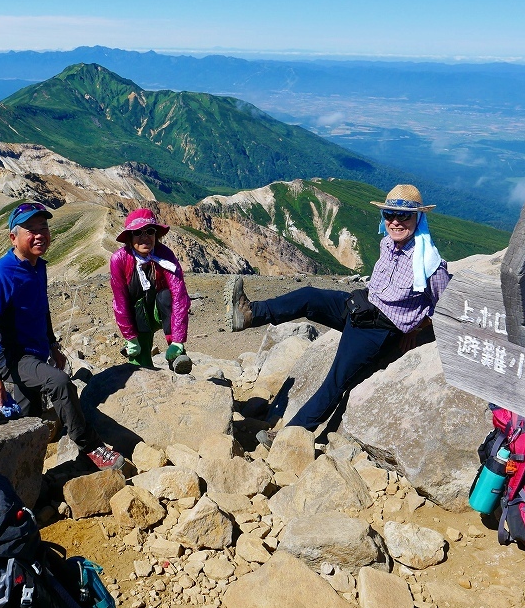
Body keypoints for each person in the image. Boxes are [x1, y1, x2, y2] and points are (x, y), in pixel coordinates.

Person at [227, 184, 451, 448]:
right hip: (358, 307)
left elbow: (445, 306)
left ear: (418, 217)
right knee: (308, 296)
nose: (395, 221)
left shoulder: (430, 264)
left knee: (336, 379)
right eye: (390, 214)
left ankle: (290, 437)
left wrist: (415, 327)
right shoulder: (387, 244)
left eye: (404, 215)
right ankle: (251, 314)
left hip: (377, 331)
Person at [0, 201, 124, 471]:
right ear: (14, 237)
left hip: (35, 352)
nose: (39, 235)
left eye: (43, 227)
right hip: (12, 356)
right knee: (59, 381)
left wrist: (52, 345)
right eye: (30, 230)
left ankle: (25, 474)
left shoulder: (39, 266)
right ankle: (90, 446)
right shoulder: (0, 273)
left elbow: (41, 308)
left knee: (27, 421)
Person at [110, 208, 193, 374]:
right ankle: (140, 355)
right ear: (129, 237)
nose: (144, 237)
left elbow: (179, 296)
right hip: (137, 317)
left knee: (167, 296)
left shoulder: (165, 255)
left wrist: (178, 339)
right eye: (137, 232)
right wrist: (130, 337)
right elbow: (120, 302)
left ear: (156, 234)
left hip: (160, 310)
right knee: (139, 367)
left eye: (149, 231)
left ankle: (175, 354)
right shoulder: (119, 259)